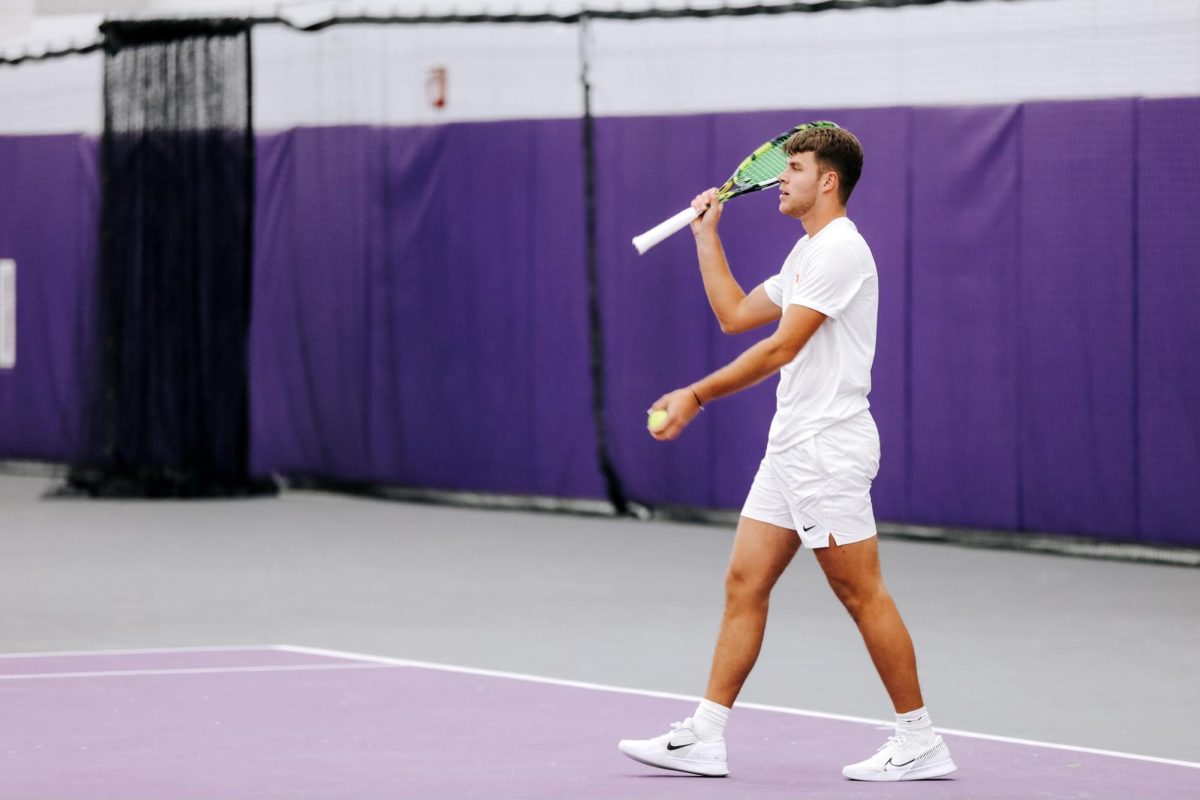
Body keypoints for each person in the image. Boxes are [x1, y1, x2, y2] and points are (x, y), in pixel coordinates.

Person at [617, 125, 956, 782]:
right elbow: (737, 315)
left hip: (828, 450)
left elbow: (778, 349)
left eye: (794, 168)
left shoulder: (838, 252)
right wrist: (706, 236)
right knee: (744, 583)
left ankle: (919, 739)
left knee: (862, 594)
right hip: (791, 449)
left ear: (827, 181)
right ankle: (705, 736)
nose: (780, 178)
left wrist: (695, 393)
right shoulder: (806, 255)